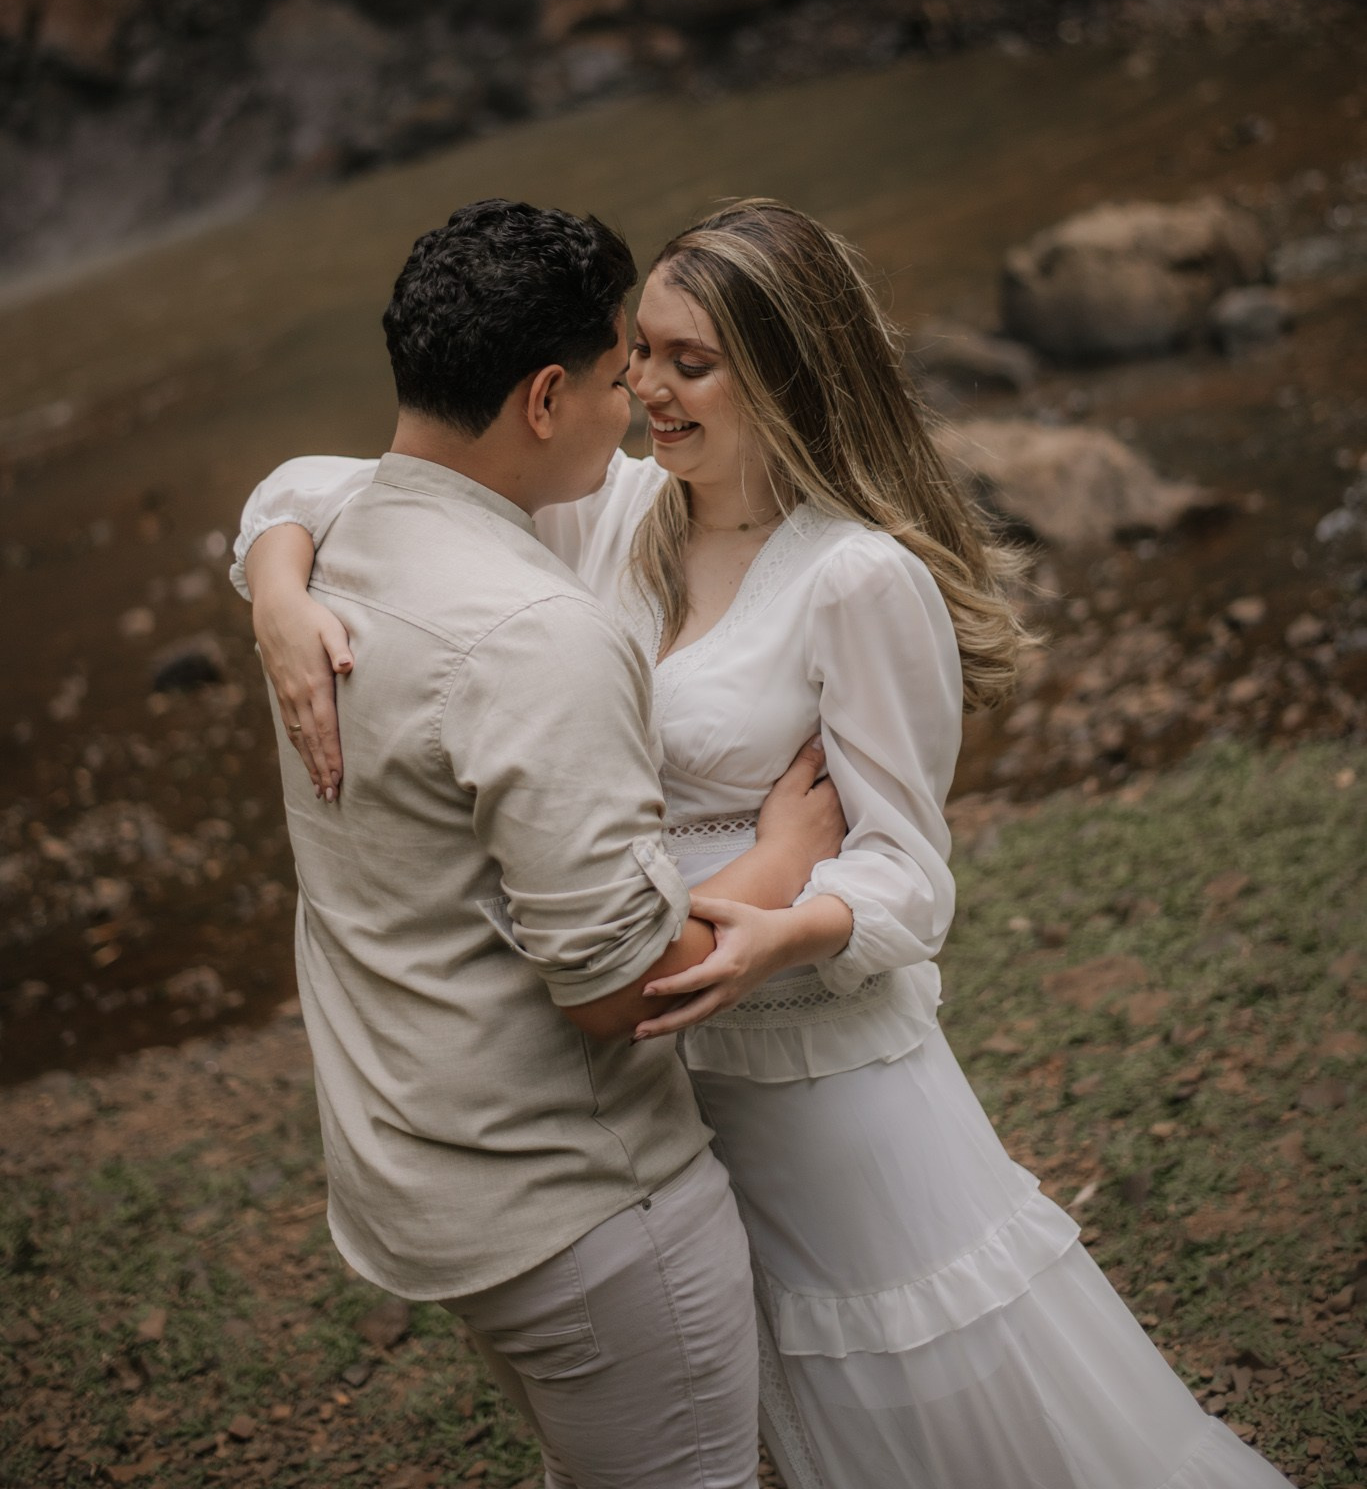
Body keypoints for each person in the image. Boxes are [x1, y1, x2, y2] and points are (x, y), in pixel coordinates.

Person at [237, 197, 1291, 1489]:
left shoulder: (856, 578)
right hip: (668, 1077)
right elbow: (346, 483)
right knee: (752, 1409)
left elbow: (910, 871)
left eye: (691, 362)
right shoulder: (613, 513)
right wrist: (280, 591)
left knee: (922, 1405)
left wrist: (791, 926)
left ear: (785, 373)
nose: (647, 388)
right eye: (640, 354)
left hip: (816, 1084)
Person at [232, 198, 853, 1489]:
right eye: (621, 374)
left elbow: (289, 492)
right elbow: (615, 991)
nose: (638, 399)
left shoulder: (334, 552)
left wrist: (274, 580)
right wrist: (786, 853)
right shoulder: (535, 634)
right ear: (546, 398)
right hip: (580, 1202)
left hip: (419, 1173)